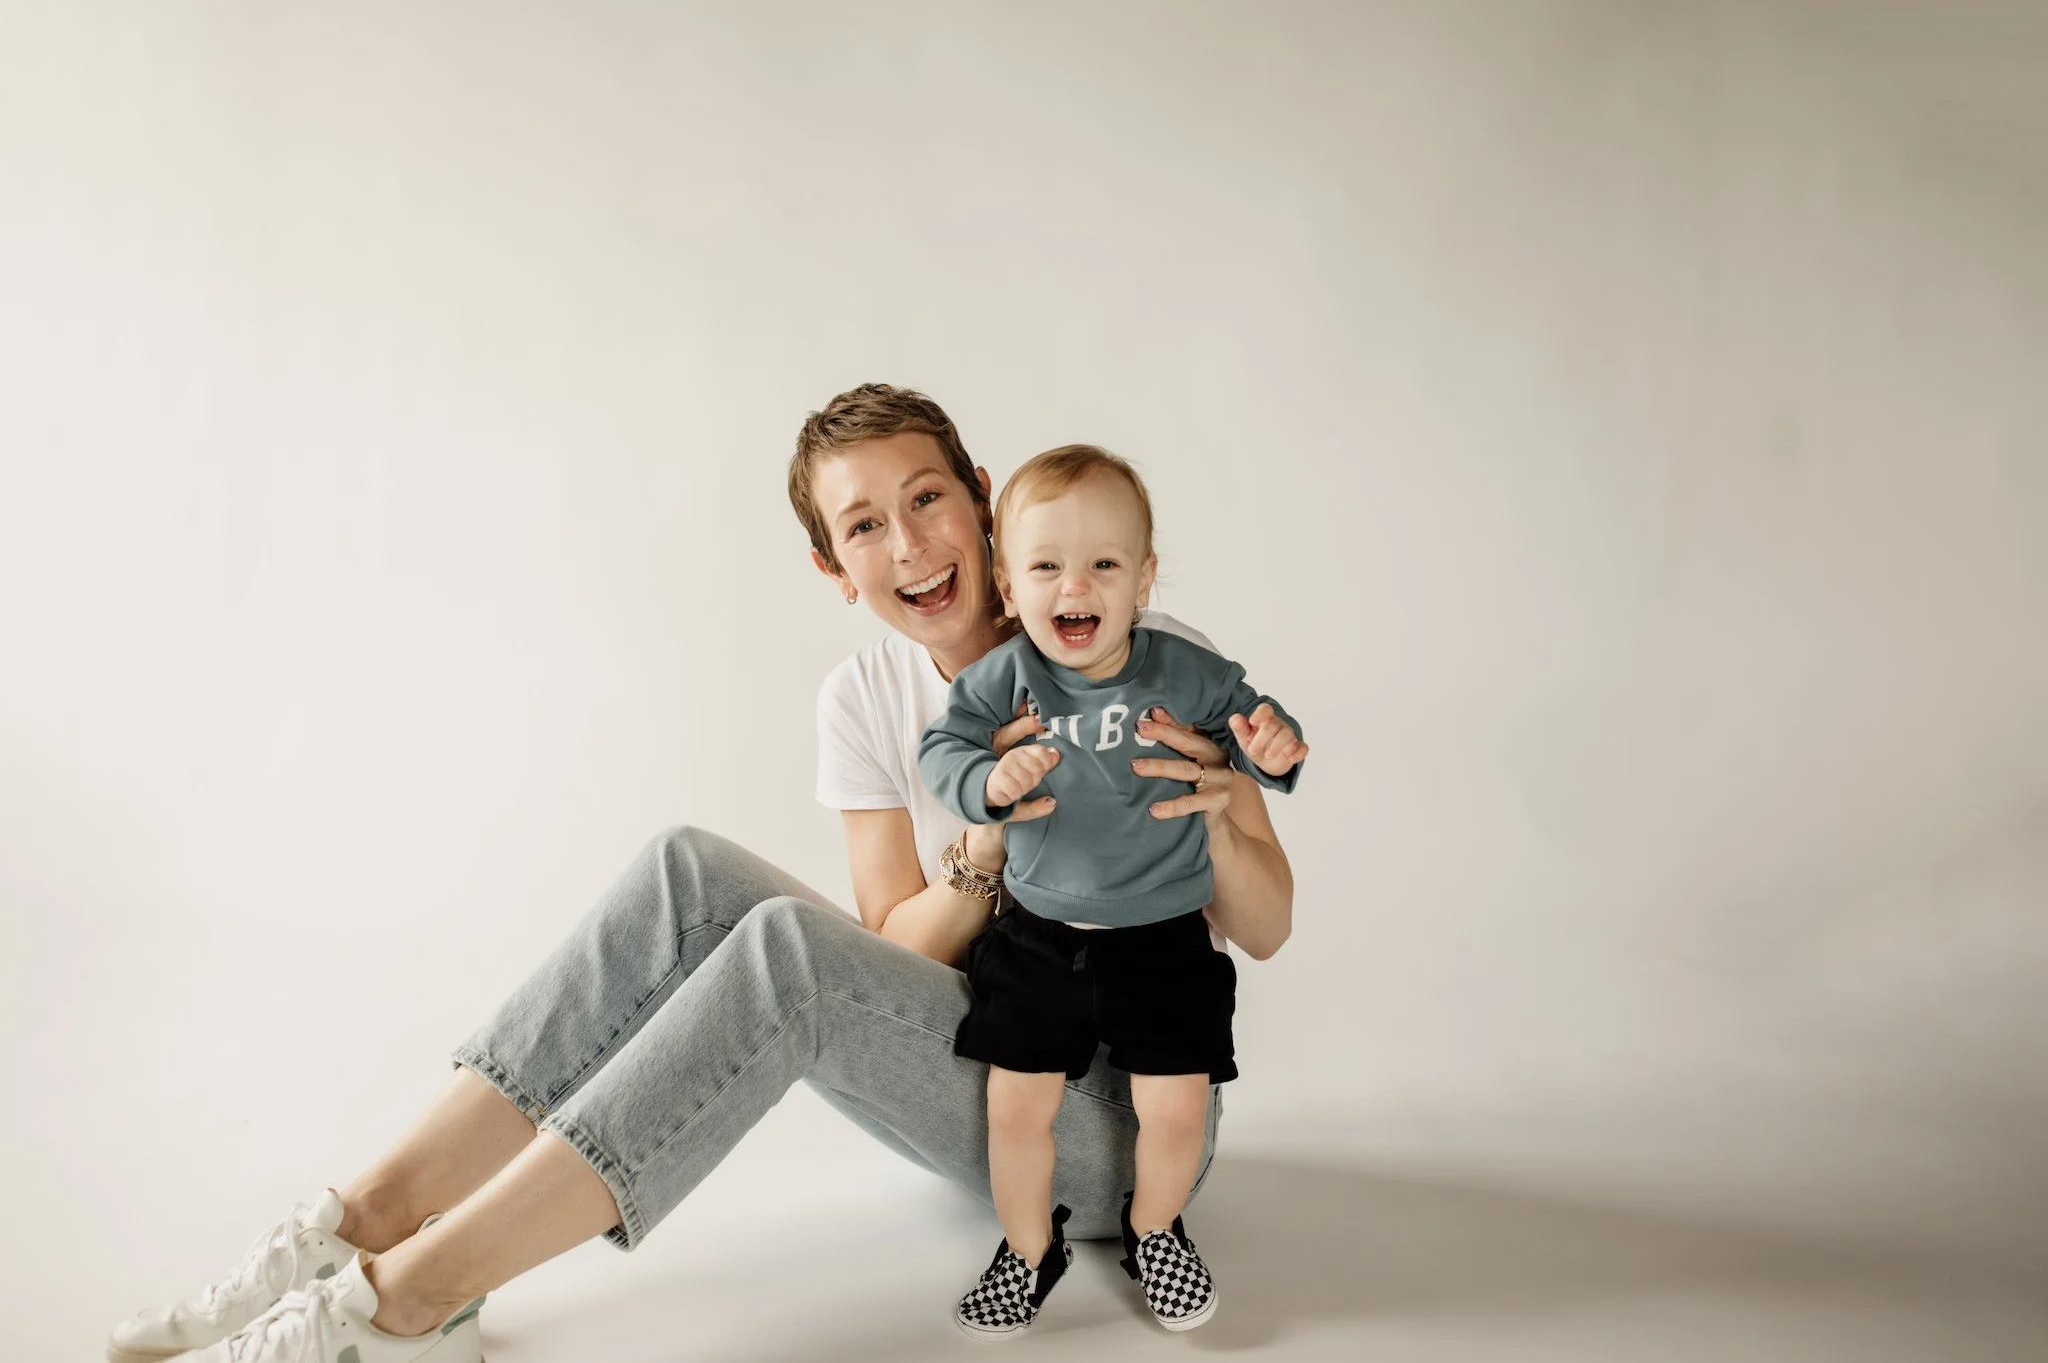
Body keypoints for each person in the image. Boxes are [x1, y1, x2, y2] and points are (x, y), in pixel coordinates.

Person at [107, 385, 1296, 1363]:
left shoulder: (1141, 660)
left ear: (982, 504)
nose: (911, 543)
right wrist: (988, 847)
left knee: (786, 951)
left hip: (1125, 1135)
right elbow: (897, 943)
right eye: (865, 525)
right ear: (834, 567)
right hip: (994, 1081)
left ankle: (409, 1304)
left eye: (926, 497)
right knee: (689, 868)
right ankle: (361, 1224)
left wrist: (1230, 806)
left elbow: (1267, 927)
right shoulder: (867, 700)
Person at [919, 444, 1306, 1337]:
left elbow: (1250, 719)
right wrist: (988, 782)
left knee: (1173, 1109)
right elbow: (944, 748)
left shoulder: (1182, 671)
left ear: (1144, 580)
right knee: (1015, 1109)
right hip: (1040, 933)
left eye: (1103, 563)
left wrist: (1274, 750)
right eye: (1047, 565)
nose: (1075, 586)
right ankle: (1026, 1248)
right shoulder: (1004, 677)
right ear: (1010, 589)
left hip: (1164, 932)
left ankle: (1156, 1228)